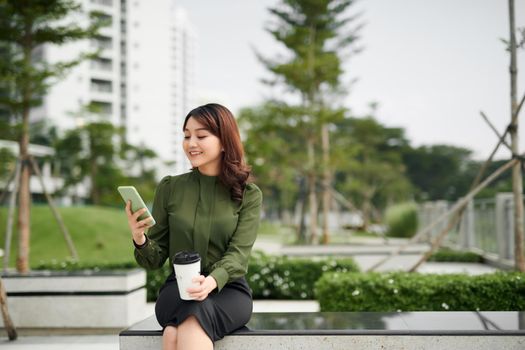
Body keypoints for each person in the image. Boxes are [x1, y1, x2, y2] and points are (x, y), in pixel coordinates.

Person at [124, 103, 263, 350]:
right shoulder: (170, 188)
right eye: (186, 135)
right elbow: (154, 260)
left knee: (173, 334)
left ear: (224, 141)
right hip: (177, 289)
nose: (191, 143)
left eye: (201, 135)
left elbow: (238, 256)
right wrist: (140, 238)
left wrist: (210, 282)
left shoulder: (248, 194)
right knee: (191, 312)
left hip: (228, 290)